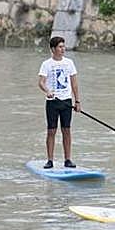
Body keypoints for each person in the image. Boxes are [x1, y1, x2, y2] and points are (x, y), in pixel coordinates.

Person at [38, 36, 81, 169]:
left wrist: (77, 101)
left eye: (63, 46)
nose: (63, 49)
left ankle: (67, 159)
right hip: (52, 102)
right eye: (60, 47)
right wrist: (47, 91)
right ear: (53, 49)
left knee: (66, 130)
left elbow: (74, 83)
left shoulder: (69, 63)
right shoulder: (46, 64)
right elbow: (41, 82)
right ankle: (50, 160)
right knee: (51, 131)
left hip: (66, 102)